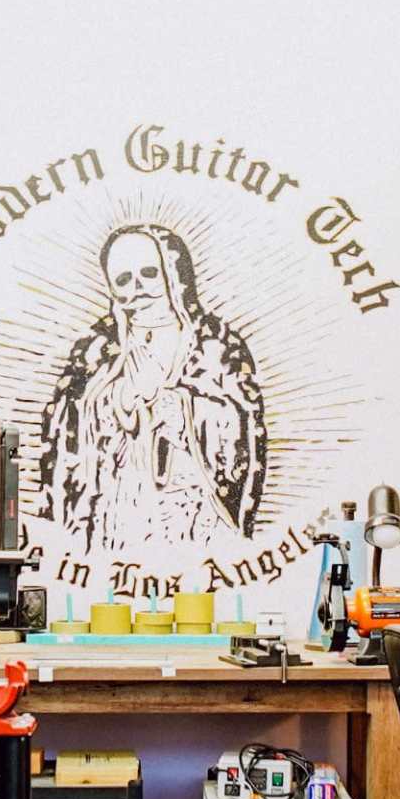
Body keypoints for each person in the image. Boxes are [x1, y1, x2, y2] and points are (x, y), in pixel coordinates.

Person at [40, 222, 267, 557]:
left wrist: (185, 410)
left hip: (190, 491)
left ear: (173, 273)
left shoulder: (214, 342)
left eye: (148, 273)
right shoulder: (96, 348)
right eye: (123, 279)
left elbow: (243, 421)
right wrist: (116, 402)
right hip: (121, 492)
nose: (137, 287)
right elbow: (68, 426)